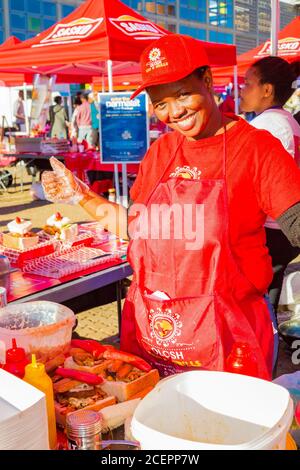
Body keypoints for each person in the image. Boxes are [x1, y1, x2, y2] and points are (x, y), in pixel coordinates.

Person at [41, 34, 300, 380]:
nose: (174, 112)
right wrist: (80, 195)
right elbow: (136, 228)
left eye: (182, 94)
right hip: (153, 335)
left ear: (207, 80)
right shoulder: (161, 152)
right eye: (160, 103)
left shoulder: (256, 148)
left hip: (226, 341)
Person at [240, 56, 300, 314]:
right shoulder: (286, 121)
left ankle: (264, 347)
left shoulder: (268, 125)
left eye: (247, 84)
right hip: (280, 227)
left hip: (270, 228)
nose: (241, 90)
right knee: (268, 294)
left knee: (259, 301)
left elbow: (254, 181)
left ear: (267, 90)